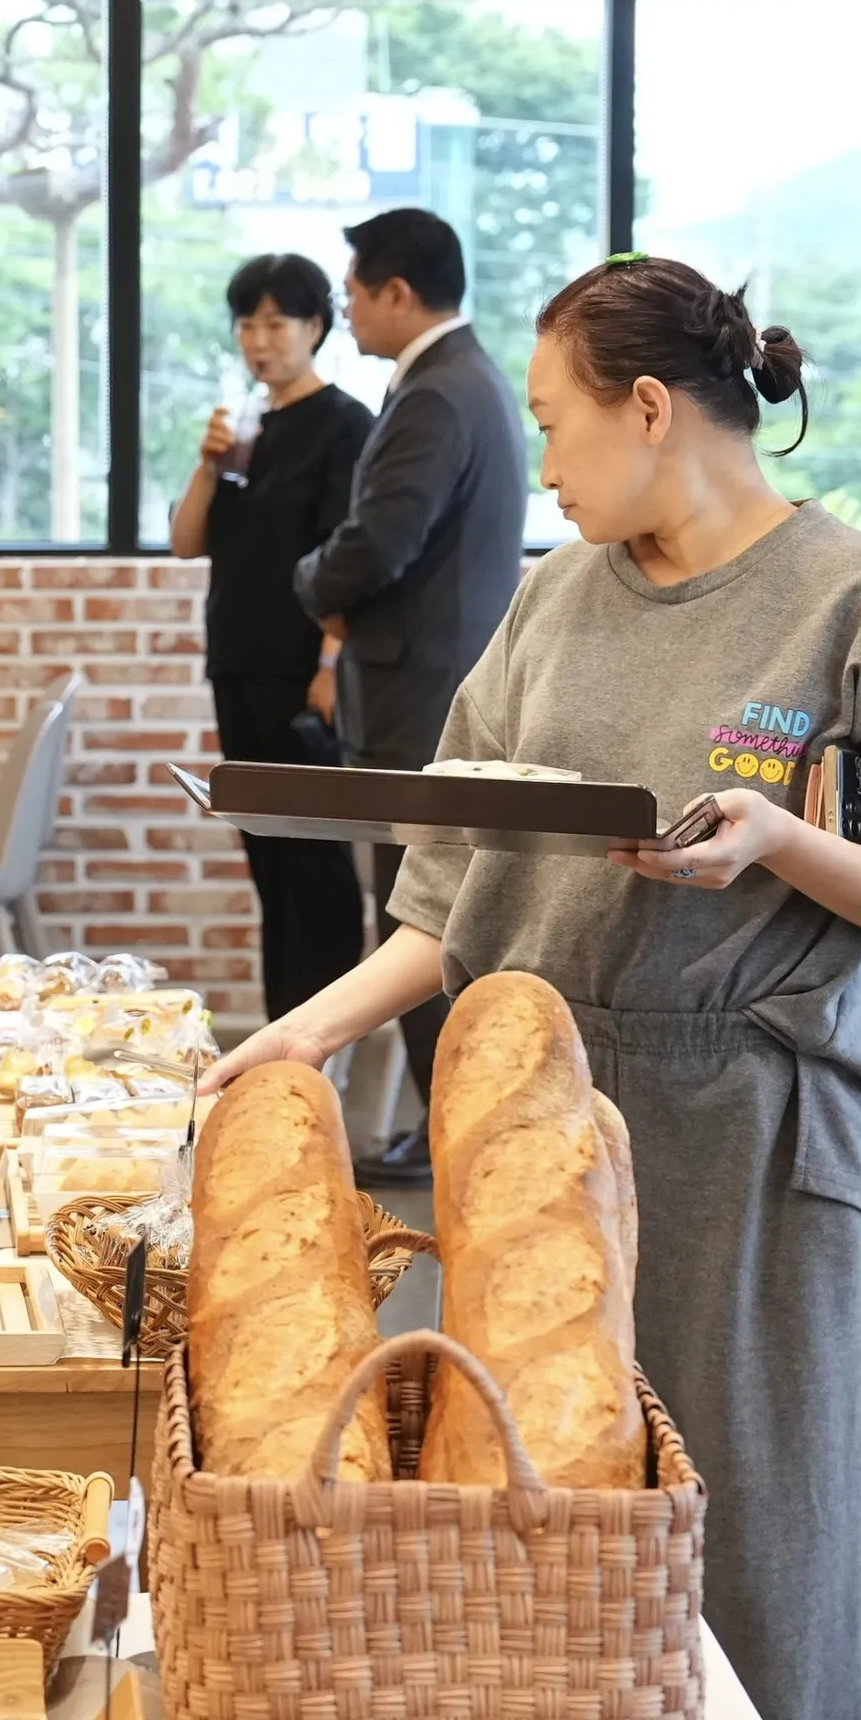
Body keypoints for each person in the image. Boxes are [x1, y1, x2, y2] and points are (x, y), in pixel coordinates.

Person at [210, 254, 861, 1720]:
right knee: (548, 1513)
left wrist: (781, 841)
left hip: (750, 1117)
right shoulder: (556, 595)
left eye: (563, 424)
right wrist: (307, 1034)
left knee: (757, 1534)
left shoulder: (859, 604)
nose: (546, 461)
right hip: (532, 1104)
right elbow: (449, 887)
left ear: (655, 408)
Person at [290, 206, 528, 1177]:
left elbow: (378, 544)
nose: (345, 310)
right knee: (411, 917)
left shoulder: (438, 391)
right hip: (420, 684)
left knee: (419, 921)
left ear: (396, 292)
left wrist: (308, 581)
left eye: (351, 291)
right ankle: (440, 1129)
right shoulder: (451, 379)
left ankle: (445, 1140)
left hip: (420, 697)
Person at [167, 249, 375, 1028]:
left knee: (315, 870)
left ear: (315, 327)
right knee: (268, 862)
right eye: (247, 322)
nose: (259, 338)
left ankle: (317, 1041)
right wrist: (207, 465)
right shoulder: (247, 426)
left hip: (300, 673)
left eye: (276, 321)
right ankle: (278, 1033)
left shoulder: (346, 425)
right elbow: (188, 543)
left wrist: (329, 663)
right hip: (239, 666)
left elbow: (349, 560)